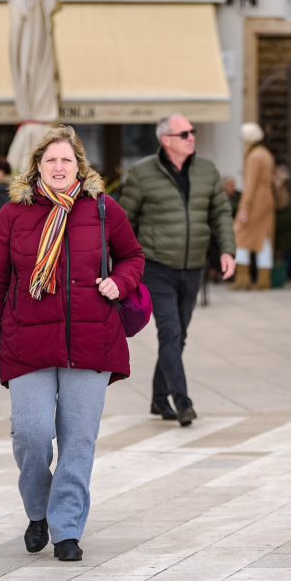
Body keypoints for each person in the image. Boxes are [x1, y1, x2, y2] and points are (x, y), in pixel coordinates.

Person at [0, 126, 144, 561]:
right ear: (38, 167)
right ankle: (38, 511)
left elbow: (133, 256)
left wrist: (118, 283)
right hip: (26, 342)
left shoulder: (103, 209)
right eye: (51, 160)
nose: (59, 167)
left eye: (67, 160)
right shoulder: (13, 214)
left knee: (78, 440)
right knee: (31, 434)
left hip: (91, 342)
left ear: (79, 166)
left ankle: (66, 529)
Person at [118, 114, 236, 426]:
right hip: (156, 266)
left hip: (194, 266)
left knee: (178, 336)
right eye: (184, 133)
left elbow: (221, 212)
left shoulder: (206, 170)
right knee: (169, 332)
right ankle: (182, 402)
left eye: (192, 131)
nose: (191, 137)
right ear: (166, 140)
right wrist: (123, 265)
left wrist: (227, 249)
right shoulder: (142, 173)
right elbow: (124, 221)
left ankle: (158, 398)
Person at [231, 123, 276, 291]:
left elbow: (250, 184)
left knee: (241, 236)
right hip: (266, 200)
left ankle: (243, 278)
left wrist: (244, 208)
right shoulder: (265, 154)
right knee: (263, 240)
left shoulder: (254, 156)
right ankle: (264, 279)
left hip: (256, 200)